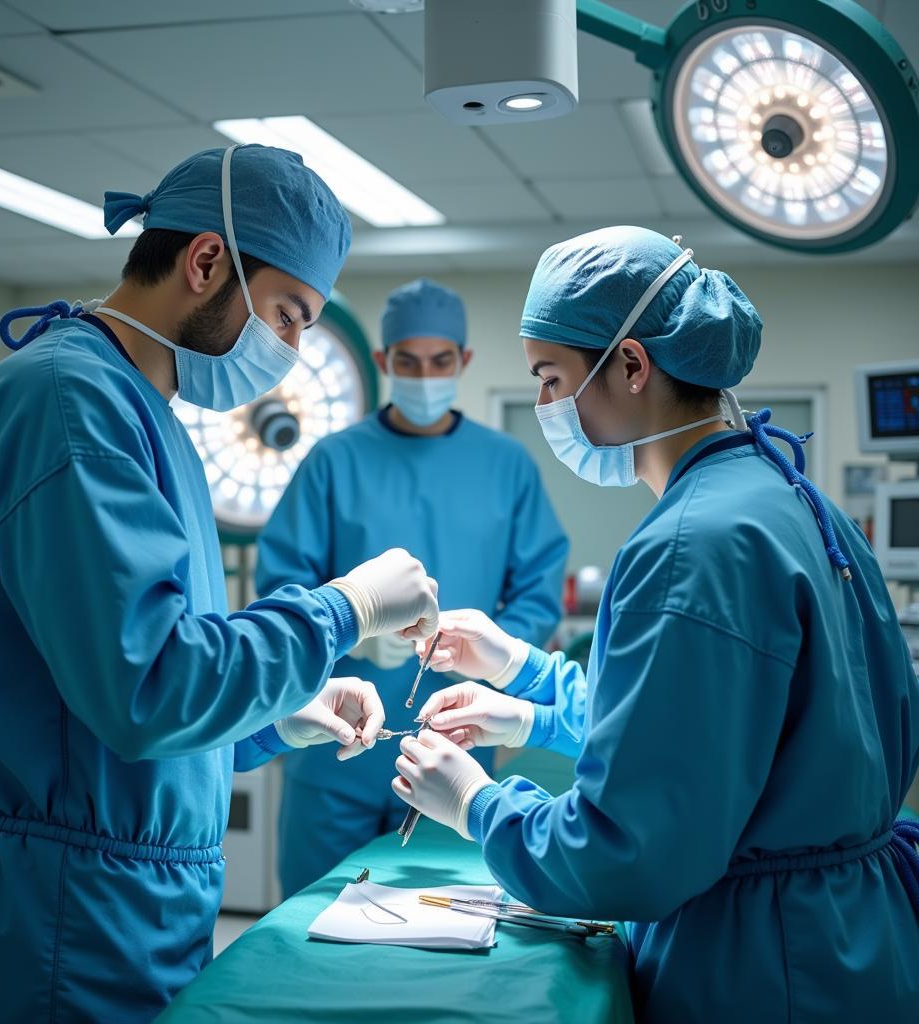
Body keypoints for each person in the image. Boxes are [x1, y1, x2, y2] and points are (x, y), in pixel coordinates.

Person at [0, 144, 441, 1023]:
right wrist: (350, 606)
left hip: (122, 909)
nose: (295, 352)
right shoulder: (69, 404)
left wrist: (272, 716)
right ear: (206, 261)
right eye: (290, 316)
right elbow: (146, 685)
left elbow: (117, 696)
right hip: (56, 924)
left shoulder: (147, 418)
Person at [392, 226, 919, 1021]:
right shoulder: (792, 498)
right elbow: (724, 734)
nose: (544, 406)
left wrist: (476, 802)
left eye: (550, 378)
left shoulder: (688, 544)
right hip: (853, 939)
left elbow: (627, 853)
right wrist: (527, 688)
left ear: (632, 365)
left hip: (767, 964)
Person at [255, 277, 568, 895]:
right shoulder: (333, 462)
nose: (425, 375)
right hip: (333, 742)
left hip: (453, 746)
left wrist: (491, 659)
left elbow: (537, 590)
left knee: (443, 923)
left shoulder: (506, 466)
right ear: (382, 362)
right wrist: (350, 636)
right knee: (311, 928)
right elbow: (282, 591)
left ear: (464, 361)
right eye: (408, 361)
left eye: (440, 361)